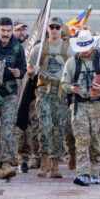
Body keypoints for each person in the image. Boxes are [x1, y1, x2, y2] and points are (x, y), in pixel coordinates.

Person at [63, 29, 100, 186]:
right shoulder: (72, 62)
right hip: (79, 105)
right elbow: (64, 84)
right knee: (81, 140)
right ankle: (82, 174)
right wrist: (71, 89)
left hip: (99, 105)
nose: (84, 51)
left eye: (86, 47)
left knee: (97, 141)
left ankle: (94, 172)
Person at [0, 16, 26, 179]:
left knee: (8, 128)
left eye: (9, 31)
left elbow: (22, 67)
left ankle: (7, 163)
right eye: (3, 31)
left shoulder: (17, 48)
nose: (6, 34)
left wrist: (19, 72)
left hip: (10, 93)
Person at [33, 17, 70, 179]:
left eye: (57, 27)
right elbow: (29, 70)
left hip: (61, 92)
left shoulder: (69, 49)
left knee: (58, 128)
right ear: (47, 29)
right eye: (51, 27)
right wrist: (32, 70)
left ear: (61, 29)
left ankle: (55, 163)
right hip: (44, 91)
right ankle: (44, 160)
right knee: (45, 126)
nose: (54, 30)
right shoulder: (39, 49)